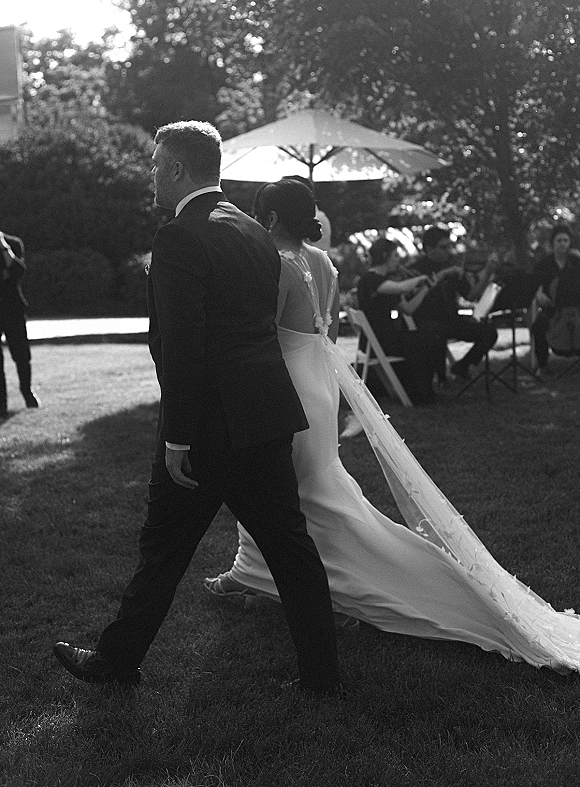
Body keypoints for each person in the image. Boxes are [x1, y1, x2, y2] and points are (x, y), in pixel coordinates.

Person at [204, 180, 580, 674]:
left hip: (286, 387)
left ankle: (344, 589)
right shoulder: (324, 264)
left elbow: (261, 338)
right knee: (297, 488)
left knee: (294, 492)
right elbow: (330, 335)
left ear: (271, 220)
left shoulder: (272, 264)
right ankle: (248, 572)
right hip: (321, 384)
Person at [53, 122, 342, 697]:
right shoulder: (254, 231)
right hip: (264, 417)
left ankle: (115, 663)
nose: (152, 174)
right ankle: (322, 676)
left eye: (157, 164)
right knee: (291, 547)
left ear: (179, 169)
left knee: (162, 549)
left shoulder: (180, 236)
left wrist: (179, 435)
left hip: (208, 428)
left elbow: (180, 343)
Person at [356, 237, 448, 403]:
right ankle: (421, 393)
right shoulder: (371, 280)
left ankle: (423, 390)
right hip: (379, 339)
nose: (398, 260)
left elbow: (408, 309)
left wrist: (425, 289)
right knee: (425, 339)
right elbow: (401, 287)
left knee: (432, 334)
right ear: (385, 256)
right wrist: (420, 279)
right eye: (395, 256)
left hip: (387, 337)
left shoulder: (386, 283)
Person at [408, 226, 499, 379]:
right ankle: (440, 378)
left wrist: (487, 274)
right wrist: (443, 274)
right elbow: (413, 295)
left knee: (488, 332)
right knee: (435, 334)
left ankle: (462, 367)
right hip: (426, 321)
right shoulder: (416, 269)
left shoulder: (452, 266)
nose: (448, 251)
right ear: (429, 248)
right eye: (443, 247)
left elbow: (470, 295)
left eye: (450, 246)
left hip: (450, 319)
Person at [0, 230, 39, 417]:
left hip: (12, 306)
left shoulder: (14, 243)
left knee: (21, 353)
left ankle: (27, 392)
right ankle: (1, 404)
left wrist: (3, 248)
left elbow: (17, 271)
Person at [530, 224, 580, 370]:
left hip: (577, 308)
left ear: (570, 242)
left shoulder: (577, 262)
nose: (562, 244)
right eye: (559, 240)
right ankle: (542, 365)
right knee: (538, 326)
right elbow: (533, 286)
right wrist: (538, 294)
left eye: (565, 240)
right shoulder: (543, 265)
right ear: (552, 243)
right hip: (553, 309)